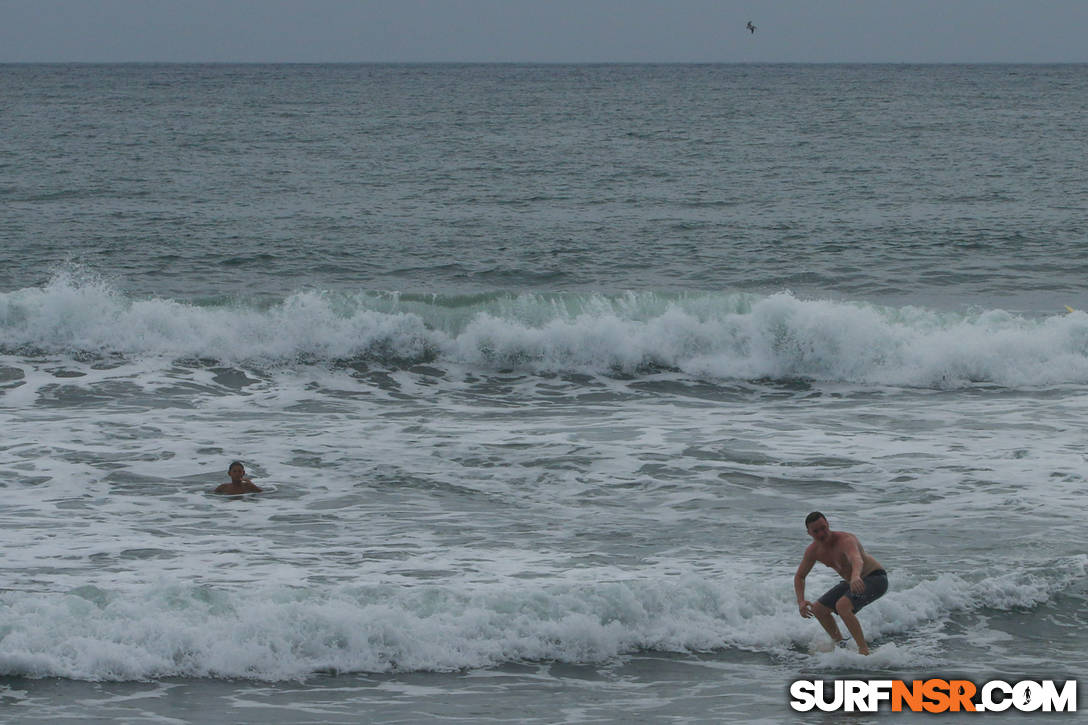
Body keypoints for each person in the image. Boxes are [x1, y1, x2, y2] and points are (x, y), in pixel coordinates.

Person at [793, 511, 887, 655]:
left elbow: (856, 559)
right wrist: (800, 601)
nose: (821, 534)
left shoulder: (845, 540)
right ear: (809, 533)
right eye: (816, 531)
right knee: (818, 609)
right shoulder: (813, 551)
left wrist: (856, 576)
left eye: (823, 528)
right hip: (852, 581)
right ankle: (841, 645)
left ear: (828, 525)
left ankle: (864, 651)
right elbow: (800, 576)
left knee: (842, 606)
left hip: (875, 578)